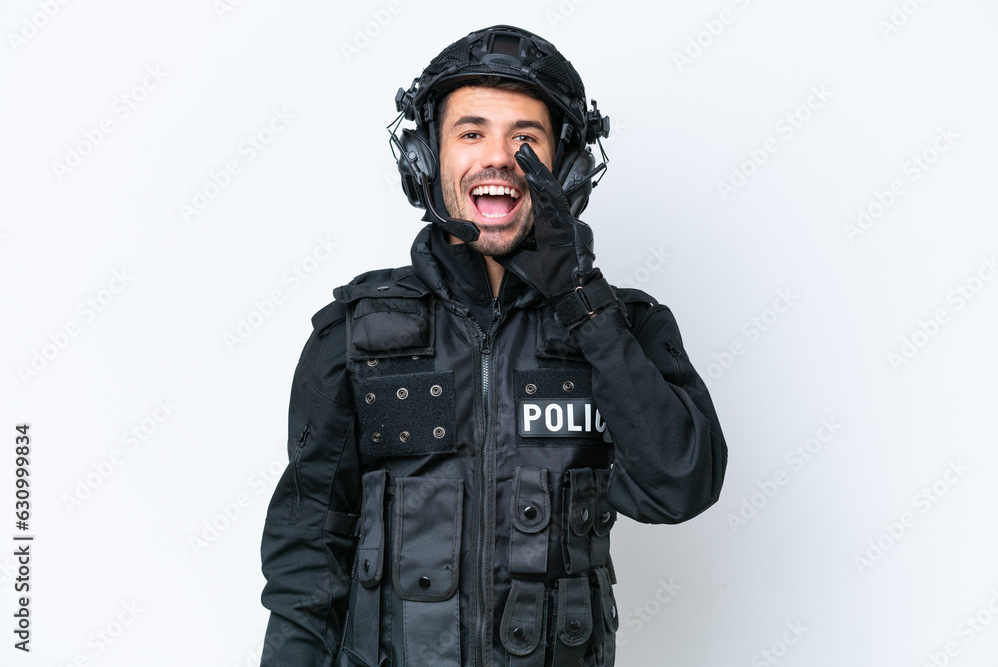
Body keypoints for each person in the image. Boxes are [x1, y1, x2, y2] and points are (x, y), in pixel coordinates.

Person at [259, 24, 727, 667]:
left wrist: (582, 303)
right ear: (426, 157)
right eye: (471, 133)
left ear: (568, 169)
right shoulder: (355, 335)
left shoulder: (627, 327)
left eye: (526, 139)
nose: (500, 159)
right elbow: (307, 557)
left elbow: (681, 486)